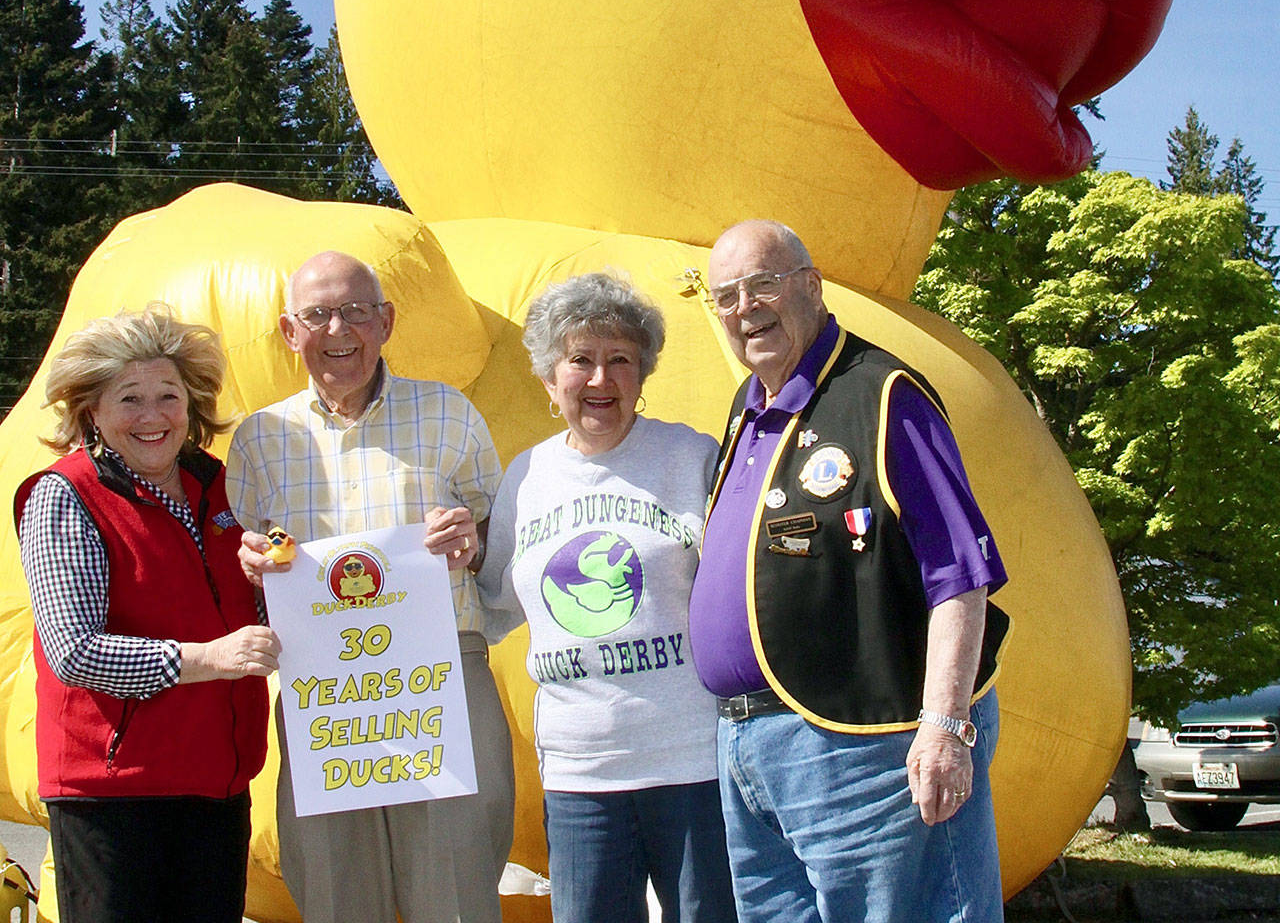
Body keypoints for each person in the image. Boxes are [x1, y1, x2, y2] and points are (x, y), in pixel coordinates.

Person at [688, 220, 1010, 923]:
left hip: (866, 747)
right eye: (727, 296)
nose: (746, 308)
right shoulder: (749, 410)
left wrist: (945, 728)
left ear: (811, 285)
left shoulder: (882, 394)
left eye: (764, 284)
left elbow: (960, 572)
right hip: (749, 746)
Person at [228, 250, 514, 923]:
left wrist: (470, 541)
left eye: (356, 311)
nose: (339, 330)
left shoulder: (448, 411)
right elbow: (243, 564)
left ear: (386, 321)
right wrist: (249, 564)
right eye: (318, 314)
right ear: (289, 331)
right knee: (335, 890)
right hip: (324, 692)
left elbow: (501, 541)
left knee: (455, 889)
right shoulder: (259, 439)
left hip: (439, 672)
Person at [478, 272, 735, 923]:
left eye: (620, 359)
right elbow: (494, 602)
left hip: (692, 760)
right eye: (580, 360)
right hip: (579, 771)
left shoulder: (693, 457)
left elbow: (739, 595)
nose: (600, 379)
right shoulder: (527, 477)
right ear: (548, 379)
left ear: (642, 373)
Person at [14, 305, 278, 923]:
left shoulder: (223, 487)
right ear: (92, 412)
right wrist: (211, 658)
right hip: (112, 793)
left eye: (169, 395)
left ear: (193, 404)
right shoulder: (65, 495)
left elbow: (255, 614)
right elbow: (74, 651)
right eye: (129, 398)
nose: (154, 416)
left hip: (217, 781)